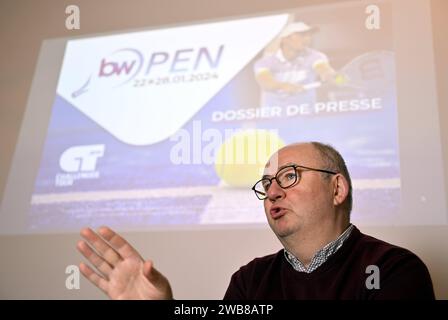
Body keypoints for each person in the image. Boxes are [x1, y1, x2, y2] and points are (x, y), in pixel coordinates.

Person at [77, 142, 435, 299]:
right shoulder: (250, 280)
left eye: (290, 176)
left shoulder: (393, 270)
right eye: (267, 183)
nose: (274, 192)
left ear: (337, 187)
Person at [254, 22, 338, 108]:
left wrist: (333, 76)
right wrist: (283, 86)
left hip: (307, 117)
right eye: (302, 35)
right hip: (273, 117)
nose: (307, 38)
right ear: (285, 39)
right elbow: (265, 82)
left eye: (309, 35)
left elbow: (324, 69)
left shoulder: (316, 56)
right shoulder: (265, 62)